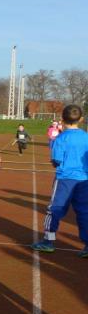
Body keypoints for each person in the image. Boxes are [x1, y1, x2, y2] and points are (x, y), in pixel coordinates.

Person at [31, 105, 88, 258]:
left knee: (54, 210)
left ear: (62, 119)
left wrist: (57, 162)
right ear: (81, 119)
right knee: (84, 211)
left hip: (64, 180)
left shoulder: (60, 139)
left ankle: (48, 241)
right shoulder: (86, 137)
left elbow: (56, 160)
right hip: (84, 180)